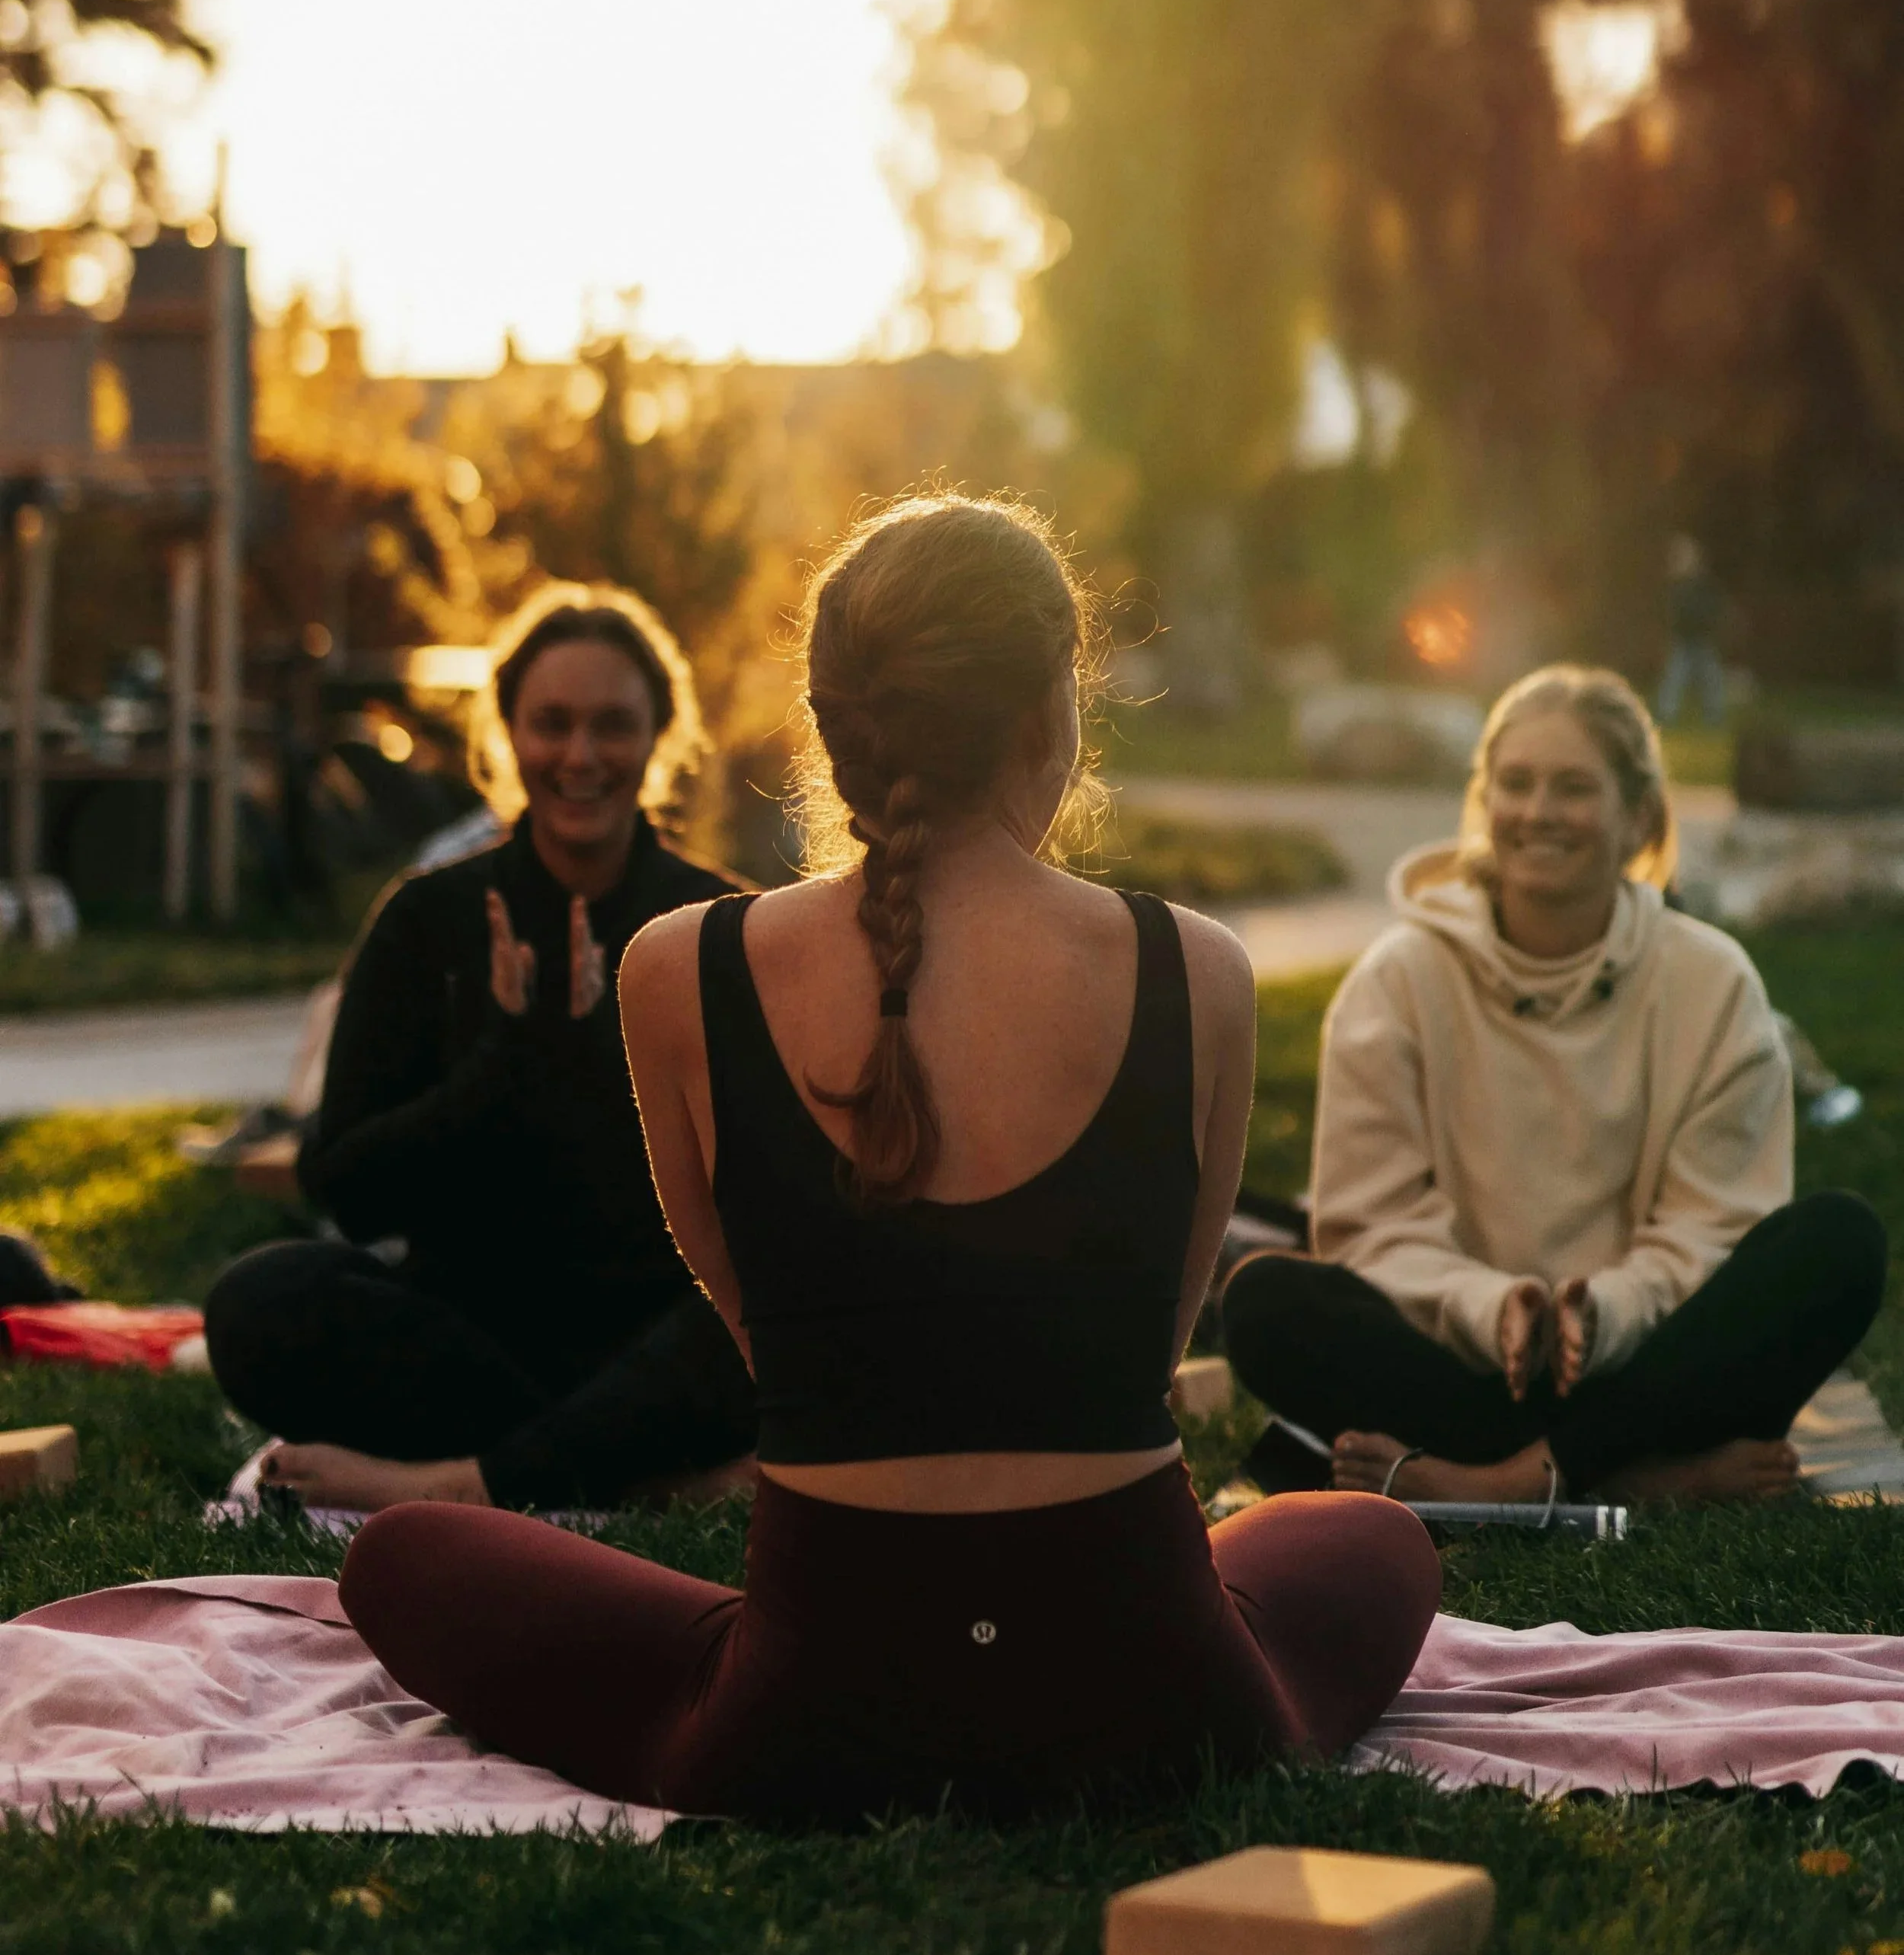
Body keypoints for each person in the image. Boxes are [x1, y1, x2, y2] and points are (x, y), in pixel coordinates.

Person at [334, 495, 1440, 1824]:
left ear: (832, 721)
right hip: (1164, 1696)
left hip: (811, 1712)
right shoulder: (1199, 969)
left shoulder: (677, 968)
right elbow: (1144, 1353)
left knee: (404, 1556)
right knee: (1368, 1531)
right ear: (1050, 717)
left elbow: (768, 1344)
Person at [1225, 665, 1886, 1508]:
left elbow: (1716, 1224)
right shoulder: (1395, 982)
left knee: (1838, 1242)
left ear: (1638, 816)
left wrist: (1603, 1311)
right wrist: (1491, 1307)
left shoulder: (1712, 983)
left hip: (1656, 1353)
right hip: (1460, 1359)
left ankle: (1511, 1479)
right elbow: (1372, 1223)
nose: (1537, 812)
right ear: (1484, 801)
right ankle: (1638, 1476)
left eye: (1573, 787)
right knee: (1266, 1302)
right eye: (1516, 783)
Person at [203, 584, 756, 1515]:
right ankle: (632, 1471)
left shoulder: (723, 927)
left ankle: (474, 1482)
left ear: (660, 736)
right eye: (552, 723)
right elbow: (344, 1181)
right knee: (257, 1303)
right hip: (471, 1338)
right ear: (507, 733)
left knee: (780, 1315)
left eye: (612, 725)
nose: (580, 755)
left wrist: (595, 1060)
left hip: (651, 1332)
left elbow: (759, 1208)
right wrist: (504, 1064)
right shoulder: (427, 921)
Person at [1655, 533, 1732, 730]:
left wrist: (1712, 625)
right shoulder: (1677, 586)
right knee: (1675, 679)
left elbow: (1714, 607)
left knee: (1711, 679)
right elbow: (1673, 613)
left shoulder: (1703, 584)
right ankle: (1666, 714)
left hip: (1703, 639)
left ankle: (1714, 715)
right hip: (1684, 639)